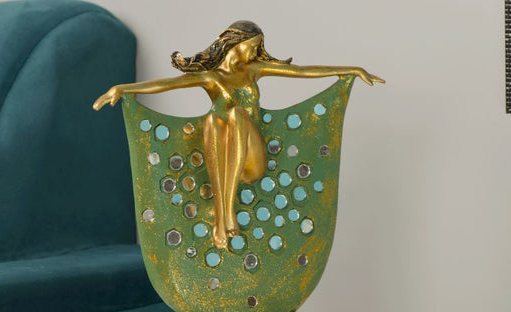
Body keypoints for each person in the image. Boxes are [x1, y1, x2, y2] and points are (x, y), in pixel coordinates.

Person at [94, 21, 384, 248]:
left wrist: (351, 70)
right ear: (235, 43)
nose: (254, 53)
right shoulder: (210, 77)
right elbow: (166, 84)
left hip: (252, 160)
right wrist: (122, 89)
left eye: (257, 48)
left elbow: (303, 71)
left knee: (236, 115)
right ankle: (223, 216)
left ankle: (225, 212)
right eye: (251, 46)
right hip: (222, 157)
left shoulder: (253, 70)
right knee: (212, 120)